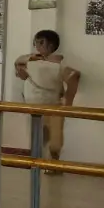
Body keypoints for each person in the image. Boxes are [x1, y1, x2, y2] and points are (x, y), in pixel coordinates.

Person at [15, 30, 80, 169]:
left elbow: (74, 77)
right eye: (36, 42)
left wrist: (68, 103)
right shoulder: (32, 61)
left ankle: (53, 166)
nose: (37, 46)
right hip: (33, 107)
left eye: (41, 42)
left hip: (54, 107)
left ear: (51, 44)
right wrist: (25, 64)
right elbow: (21, 71)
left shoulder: (60, 63)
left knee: (54, 141)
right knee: (38, 138)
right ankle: (37, 163)